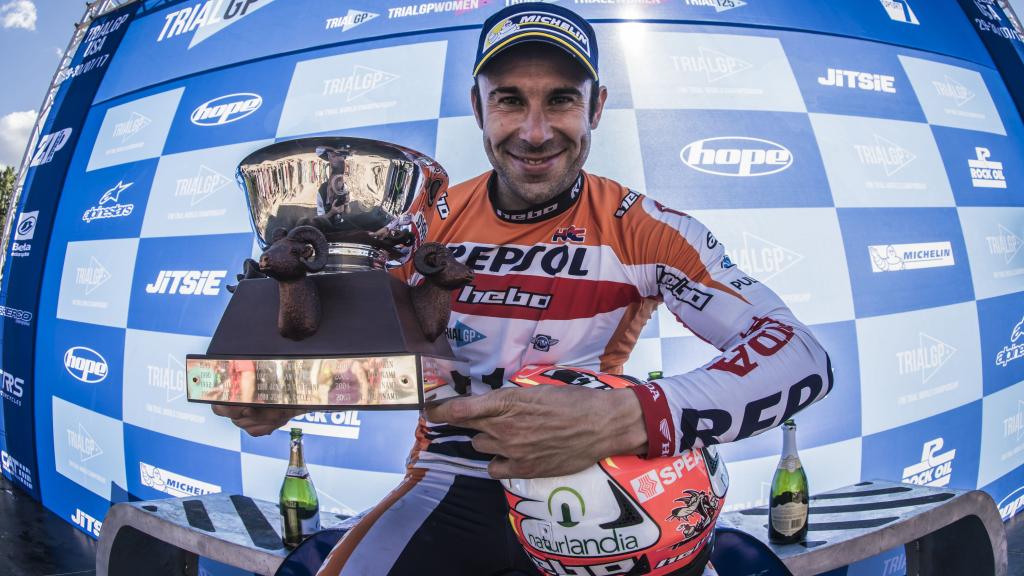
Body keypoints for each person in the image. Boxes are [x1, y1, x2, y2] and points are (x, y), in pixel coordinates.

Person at [213, 4, 833, 575]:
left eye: (561, 100)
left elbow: (801, 354)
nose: (535, 133)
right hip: (449, 476)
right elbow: (372, 356)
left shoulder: (643, 229)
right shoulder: (417, 220)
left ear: (595, 108)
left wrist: (626, 417)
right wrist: (287, 390)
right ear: (479, 108)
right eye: (509, 101)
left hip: (596, 476)